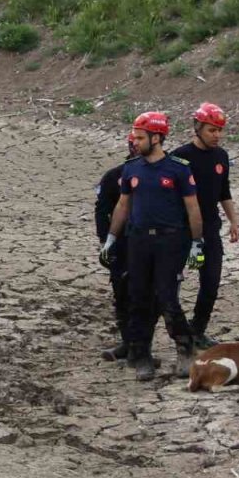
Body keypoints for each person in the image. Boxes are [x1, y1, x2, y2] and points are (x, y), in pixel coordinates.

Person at [102, 111, 205, 381]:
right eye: (134, 136)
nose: (134, 141)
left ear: (156, 138)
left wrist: (197, 243)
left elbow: (193, 208)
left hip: (170, 241)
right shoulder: (131, 168)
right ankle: (142, 355)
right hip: (138, 241)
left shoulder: (178, 168)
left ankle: (185, 349)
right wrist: (112, 238)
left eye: (140, 137)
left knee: (167, 297)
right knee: (138, 298)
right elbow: (123, 205)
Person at [170, 102, 239, 349]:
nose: (217, 135)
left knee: (211, 280)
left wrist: (234, 221)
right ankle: (178, 332)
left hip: (210, 230)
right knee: (173, 281)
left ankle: (198, 329)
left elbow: (224, 191)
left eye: (220, 130)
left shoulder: (221, 156)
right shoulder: (180, 156)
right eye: (211, 130)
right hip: (181, 231)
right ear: (197, 128)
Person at [95, 132, 136, 362]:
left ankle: (142, 347)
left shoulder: (168, 172)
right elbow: (102, 211)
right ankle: (127, 343)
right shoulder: (114, 177)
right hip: (121, 244)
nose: (137, 146)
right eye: (134, 141)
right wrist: (105, 242)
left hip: (152, 244)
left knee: (151, 296)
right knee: (121, 293)